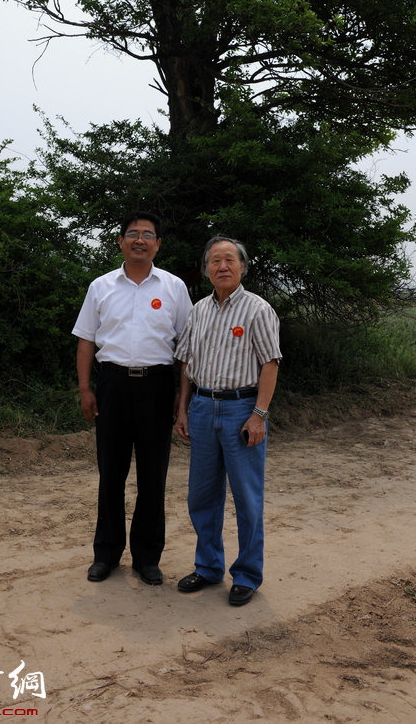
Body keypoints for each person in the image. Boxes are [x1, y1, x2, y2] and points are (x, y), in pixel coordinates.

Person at [72, 211, 192, 586]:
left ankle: (147, 557)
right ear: (120, 241)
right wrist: (86, 388)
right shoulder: (101, 287)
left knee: (153, 475)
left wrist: (182, 398)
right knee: (111, 473)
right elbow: (86, 340)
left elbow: (187, 349)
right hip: (111, 385)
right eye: (132, 234)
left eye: (148, 234)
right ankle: (106, 554)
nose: (139, 240)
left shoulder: (174, 287)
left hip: (157, 386)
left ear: (158, 243)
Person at [174, 235, 281, 606]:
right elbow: (187, 363)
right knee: (201, 495)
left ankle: (248, 574)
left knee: (247, 498)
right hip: (203, 406)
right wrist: (183, 408)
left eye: (229, 260)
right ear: (206, 269)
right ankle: (207, 567)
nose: (222, 266)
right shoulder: (199, 310)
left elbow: (270, 363)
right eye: (215, 261)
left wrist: (259, 415)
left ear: (242, 267)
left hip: (241, 410)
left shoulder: (258, 310)